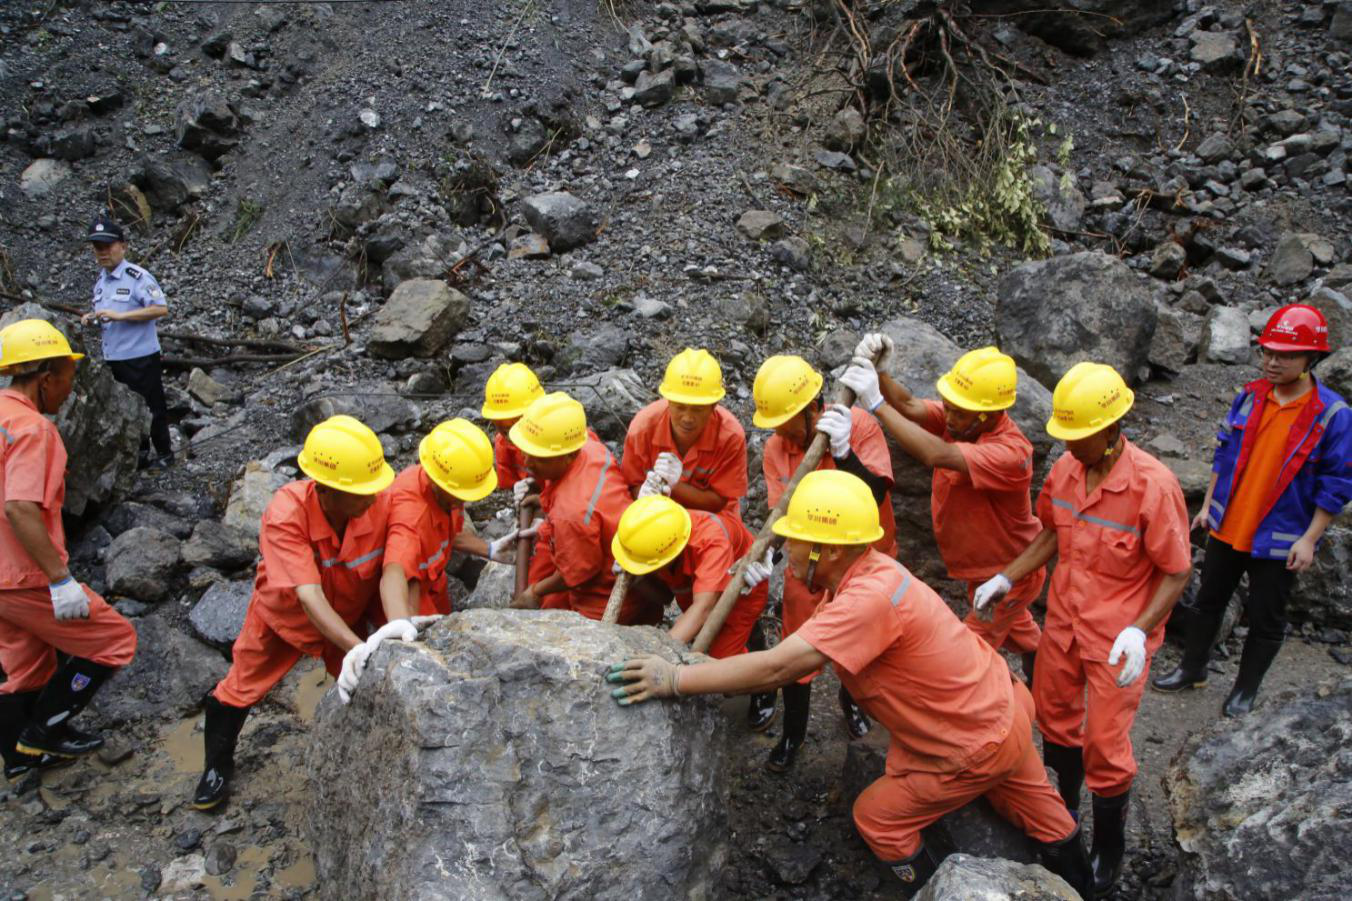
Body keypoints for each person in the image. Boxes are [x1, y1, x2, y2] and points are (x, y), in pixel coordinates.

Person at [605, 471, 1091, 899]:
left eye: (795, 541)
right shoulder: (870, 574)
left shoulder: (866, 601)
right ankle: (1085, 888)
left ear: (829, 549)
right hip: (1004, 705)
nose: (786, 552)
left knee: (878, 818)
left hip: (976, 740)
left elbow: (777, 668)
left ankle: (937, 890)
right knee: (1043, 814)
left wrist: (674, 678)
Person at [974, 362, 1191, 897]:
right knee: (1054, 721)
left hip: (1117, 640)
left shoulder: (1153, 486)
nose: (1068, 446)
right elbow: (1052, 533)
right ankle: (1065, 816)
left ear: (1111, 429)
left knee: (1106, 746)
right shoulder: (1067, 471)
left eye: (1077, 436)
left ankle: (1109, 848)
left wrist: (1139, 630)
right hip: (1065, 624)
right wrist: (1006, 576)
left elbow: (1176, 570)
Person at [193, 415, 428, 811]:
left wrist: (397, 625)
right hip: (284, 619)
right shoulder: (287, 513)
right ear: (326, 490)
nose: (373, 498)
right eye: (361, 492)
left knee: (361, 684)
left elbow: (395, 569)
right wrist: (358, 647)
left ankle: (362, 752)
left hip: (348, 612)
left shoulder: (384, 501)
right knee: (241, 687)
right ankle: (216, 766)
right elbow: (308, 595)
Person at [1153, 304, 1352, 716]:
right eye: (1268, 352)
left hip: (1280, 537)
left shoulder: (1332, 415)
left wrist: (1309, 539)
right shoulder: (1250, 396)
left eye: (1285, 356)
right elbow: (1223, 454)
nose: (1272, 362)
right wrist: (1208, 507)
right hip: (1229, 525)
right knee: (1207, 601)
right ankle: (1192, 668)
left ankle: (1245, 690)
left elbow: (1337, 483)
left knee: (1266, 617)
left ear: (1311, 359)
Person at [840, 339, 1045, 680]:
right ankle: (1044, 674)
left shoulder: (1010, 453)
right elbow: (910, 405)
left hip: (1011, 572)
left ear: (990, 415)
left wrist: (876, 404)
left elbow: (936, 454)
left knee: (966, 654)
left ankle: (1004, 700)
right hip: (982, 569)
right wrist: (882, 374)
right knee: (1020, 631)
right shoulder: (963, 421)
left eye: (958, 413)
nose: (948, 417)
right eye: (948, 407)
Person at [743, 354, 896, 768]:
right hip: (809, 566)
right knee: (796, 651)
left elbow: (876, 494)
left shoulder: (857, 426)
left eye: (785, 421)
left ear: (812, 407)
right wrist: (768, 554)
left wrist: (845, 453)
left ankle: (854, 702)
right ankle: (793, 735)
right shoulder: (776, 448)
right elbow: (782, 516)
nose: (778, 431)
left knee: (864, 648)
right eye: (774, 423)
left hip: (866, 561)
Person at [0, 319, 137, 780]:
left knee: (26, 664)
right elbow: (19, 507)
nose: (69, 391)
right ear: (46, 378)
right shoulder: (32, 430)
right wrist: (60, 581)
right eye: (68, 379)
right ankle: (45, 731)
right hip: (22, 573)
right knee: (116, 640)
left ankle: (20, 758)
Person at [507, 393, 645, 622]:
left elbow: (580, 572)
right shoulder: (589, 447)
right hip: (617, 554)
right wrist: (545, 500)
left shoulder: (570, 513)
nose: (528, 463)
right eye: (526, 452)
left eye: (539, 457)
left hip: (604, 593)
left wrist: (535, 591)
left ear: (569, 455)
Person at [382, 419, 533, 616]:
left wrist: (489, 549)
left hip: (435, 584)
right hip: (412, 598)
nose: (466, 500)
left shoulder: (447, 486)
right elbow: (395, 573)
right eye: (463, 494)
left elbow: (445, 531)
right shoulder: (411, 518)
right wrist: (402, 623)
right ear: (440, 484)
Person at [611, 494, 768, 657]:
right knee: (698, 630)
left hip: (741, 594)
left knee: (720, 661)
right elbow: (666, 598)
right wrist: (637, 580)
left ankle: (753, 645)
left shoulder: (711, 542)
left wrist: (659, 654)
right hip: (697, 589)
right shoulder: (662, 538)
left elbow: (703, 609)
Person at [79, 214, 172, 470]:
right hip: (114, 357)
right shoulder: (101, 282)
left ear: (123, 246)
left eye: (107, 246)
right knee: (126, 409)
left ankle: (165, 453)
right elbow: (107, 316)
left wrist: (121, 316)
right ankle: (139, 454)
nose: (102, 252)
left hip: (140, 356)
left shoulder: (137, 277)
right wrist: (92, 319)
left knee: (151, 407)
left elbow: (160, 308)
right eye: (98, 247)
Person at [619, 348, 748, 527]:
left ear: (714, 406)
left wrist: (674, 486)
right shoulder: (642, 429)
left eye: (697, 409)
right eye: (680, 407)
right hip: (656, 515)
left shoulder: (730, 437)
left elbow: (719, 502)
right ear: (668, 401)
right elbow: (629, 487)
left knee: (716, 536)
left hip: (710, 520)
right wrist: (645, 494)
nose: (687, 418)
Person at [480, 362, 545, 491]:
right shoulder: (503, 444)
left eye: (514, 421)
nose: (508, 431)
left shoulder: (556, 434)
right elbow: (507, 485)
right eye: (500, 423)